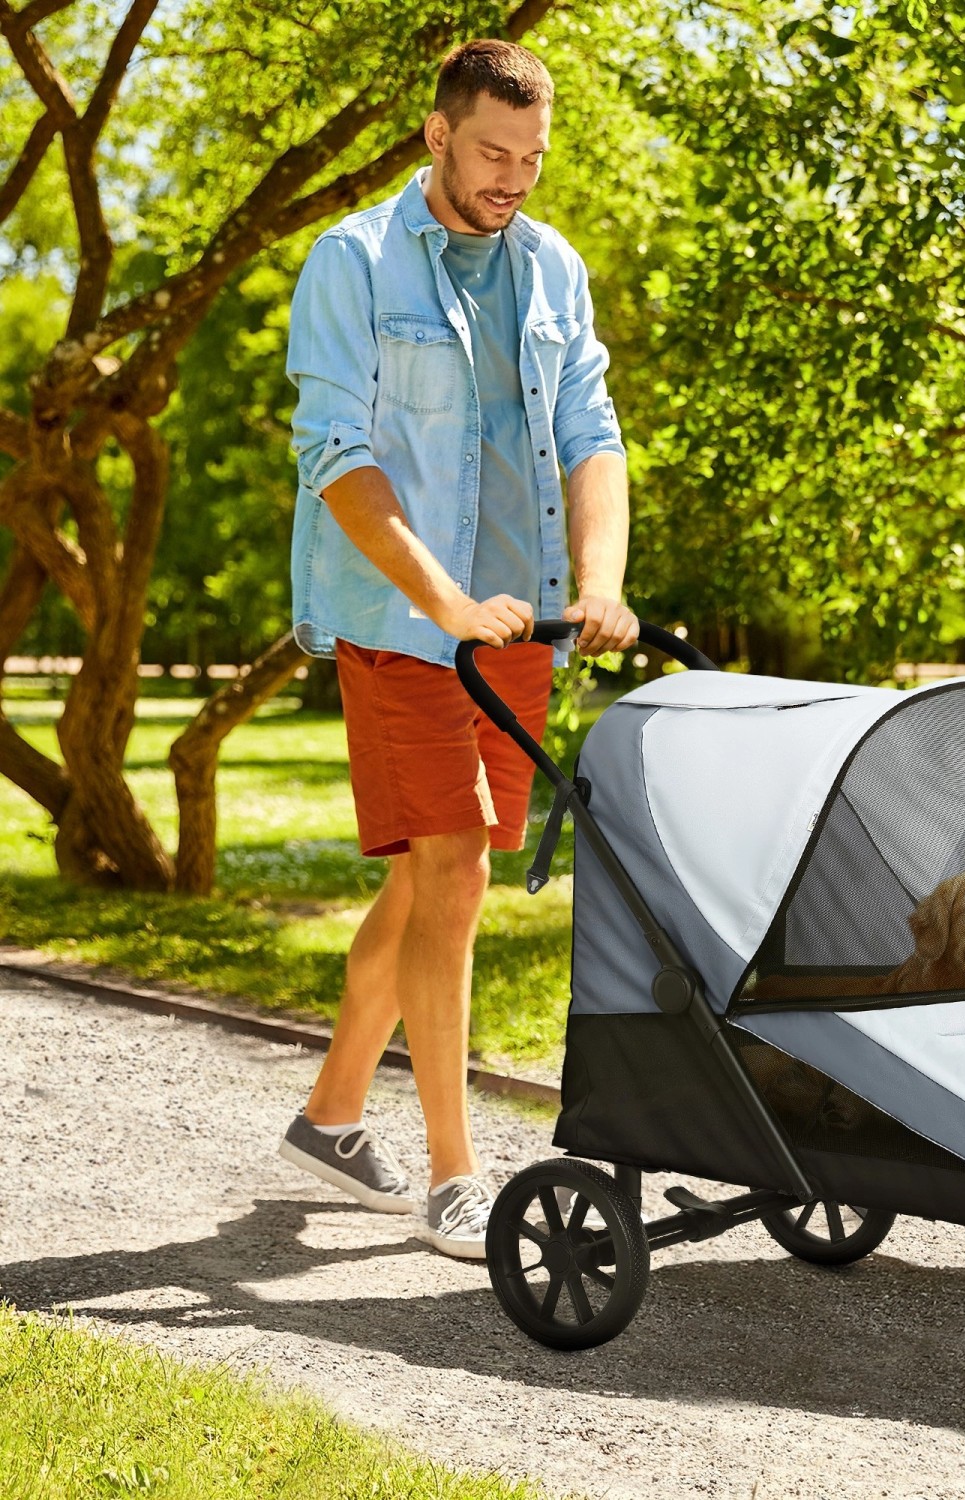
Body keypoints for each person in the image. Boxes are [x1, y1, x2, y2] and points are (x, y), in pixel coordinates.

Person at [277, 37, 638, 1259]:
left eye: (533, 159)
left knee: (430, 876)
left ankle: (330, 1119)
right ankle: (453, 1169)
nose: (514, 179)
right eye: (494, 153)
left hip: (519, 618)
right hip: (400, 622)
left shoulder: (550, 270)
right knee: (458, 876)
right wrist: (438, 601)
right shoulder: (355, 262)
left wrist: (599, 582)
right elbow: (336, 454)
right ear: (438, 134)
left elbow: (592, 430)